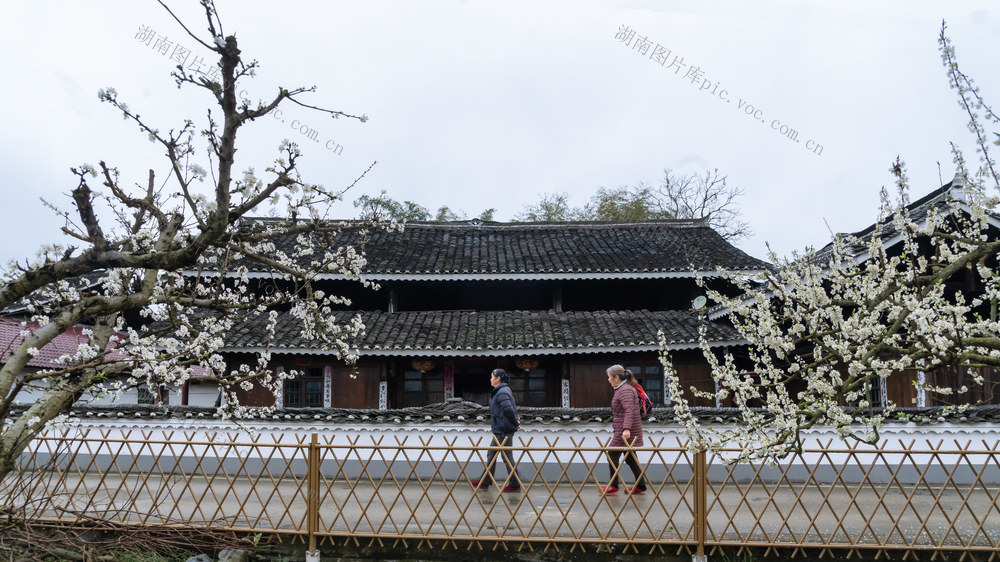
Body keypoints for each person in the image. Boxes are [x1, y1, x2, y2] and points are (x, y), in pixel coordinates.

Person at [470, 368, 523, 492]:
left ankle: (515, 483)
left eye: (492, 377)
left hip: (503, 429)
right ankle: (486, 481)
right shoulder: (501, 390)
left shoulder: (502, 391)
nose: (490, 379)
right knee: (492, 454)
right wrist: (516, 422)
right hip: (499, 429)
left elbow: (509, 410)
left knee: (507, 457)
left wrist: (515, 423)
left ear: (498, 378)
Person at [602, 364, 647, 495]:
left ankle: (613, 485)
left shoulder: (625, 390)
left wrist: (626, 429)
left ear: (616, 377)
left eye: (609, 377)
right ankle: (640, 487)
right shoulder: (623, 389)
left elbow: (629, 411)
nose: (608, 379)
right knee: (631, 458)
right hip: (624, 430)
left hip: (626, 431)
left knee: (612, 454)